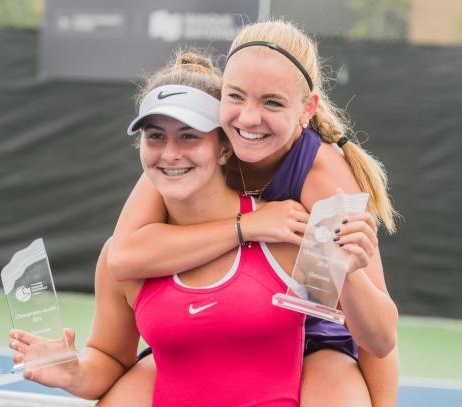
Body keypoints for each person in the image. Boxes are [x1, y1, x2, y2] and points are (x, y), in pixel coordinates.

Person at [8, 52, 383, 406]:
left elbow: (380, 340)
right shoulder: (125, 259)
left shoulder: (285, 230)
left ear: (224, 148)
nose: (170, 153)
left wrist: (350, 275)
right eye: (155, 136)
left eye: (189, 136)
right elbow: (108, 357)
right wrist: (74, 373)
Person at [106, 20, 400, 407]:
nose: (247, 118)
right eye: (236, 97)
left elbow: (380, 339)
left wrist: (379, 401)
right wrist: (247, 226)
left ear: (307, 108)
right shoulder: (196, 150)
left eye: (272, 102)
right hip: (223, 329)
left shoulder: (321, 175)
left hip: (313, 334)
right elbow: (124, 256)